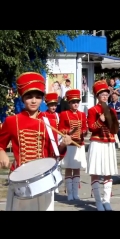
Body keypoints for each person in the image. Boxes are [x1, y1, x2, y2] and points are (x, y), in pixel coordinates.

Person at [0, 72, 72, 211]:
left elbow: (53, 154)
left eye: (38, 97)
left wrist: (63, 144)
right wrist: (1, 152)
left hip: (43, 180)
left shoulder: (49, 121)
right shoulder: (11, 121)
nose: (34, 101)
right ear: (22, 98)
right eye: (29, 97)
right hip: (20, 180)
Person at [87, 81, 119, 211]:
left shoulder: (112, 110)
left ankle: (107, 201)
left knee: (108, 172)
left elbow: (114, 128)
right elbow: (91, 128)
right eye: (102, 94)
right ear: (97, 96)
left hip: (109, 143)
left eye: (106, 94)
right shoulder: (92, 110)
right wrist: (100, 120)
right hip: (97, 142)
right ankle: (98, 201)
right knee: (96, 172)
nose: (105, 97)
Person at [58, 89, 87, 201]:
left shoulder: (82, 114)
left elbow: (85, 128)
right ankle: (69, 193)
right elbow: (60, 128)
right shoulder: (64, 114)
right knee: (69, 168)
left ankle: (76, 193)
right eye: (73, 102)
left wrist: (83, 132)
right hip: (69, 145)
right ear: (69, 103)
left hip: (79, 144)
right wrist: (69, 131)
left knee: (77, 168)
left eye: (77, 102)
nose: (75, 104)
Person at [43, 92, 62, 193]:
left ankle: (56, 183)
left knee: (57, 164)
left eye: (55, 105)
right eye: (51, 105)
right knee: (48, 164)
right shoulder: (43, 115)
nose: (53, 107)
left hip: (57, 142)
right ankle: (49, 184)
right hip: (47, 142)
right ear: (47, 105)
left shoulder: (58, 116)